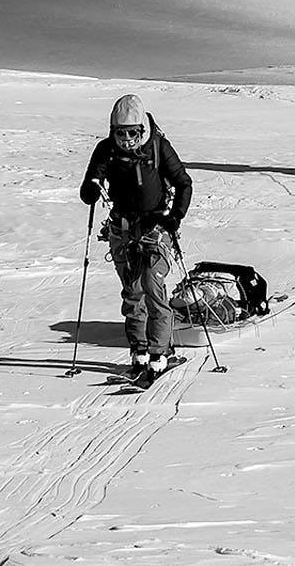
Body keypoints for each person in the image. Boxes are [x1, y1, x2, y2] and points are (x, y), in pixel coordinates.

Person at [78, 94, 192, 383]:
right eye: (120, 133)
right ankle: (139, 352)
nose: (127, 139)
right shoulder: (106, 150)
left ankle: (160, 352)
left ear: (142, 129)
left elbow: (183, 183)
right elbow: (91, 182)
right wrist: (91, 189)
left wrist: (174, 216)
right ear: (112, 131)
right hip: (122, 230)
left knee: (153, 286)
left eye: (132, 133)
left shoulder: (158, 147)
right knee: (132, 293)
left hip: (155, 229)